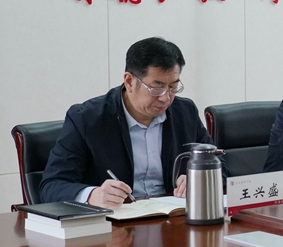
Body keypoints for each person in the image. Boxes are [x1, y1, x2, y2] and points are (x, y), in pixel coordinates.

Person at [41, 37, 218, 207]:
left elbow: (221, 167)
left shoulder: (185, 112)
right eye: (157, 88)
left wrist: (202, 179)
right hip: (117, 221)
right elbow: (51, 186)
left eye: (172, 87)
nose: (165, 98)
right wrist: (92, 195)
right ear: (129, 81)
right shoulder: (87, 119)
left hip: (175, 218)